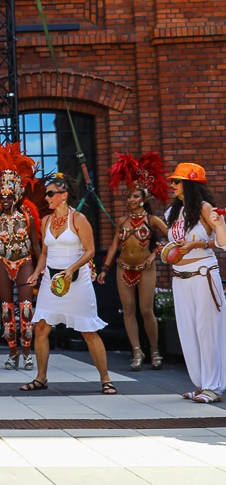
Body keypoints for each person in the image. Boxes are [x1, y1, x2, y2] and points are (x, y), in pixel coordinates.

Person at [23, 174, 116, 395]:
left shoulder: (78, 219)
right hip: (51, 279)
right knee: (41, 327)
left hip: (77, 279)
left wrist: (72, 269)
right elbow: (45, 252)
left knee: (88, 330)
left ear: (63, 196)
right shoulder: (45, 221)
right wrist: (37, 272)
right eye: (47, 194)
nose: (46, 197)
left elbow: (91, 251)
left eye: (50, 193)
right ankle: (41, 377)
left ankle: (106, 379)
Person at [98, 153, 169, 371]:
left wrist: (152, 255)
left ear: (144, 199)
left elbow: (170, 239)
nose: (130, 200)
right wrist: (104, 269)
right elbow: (113, 247)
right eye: (129, 196)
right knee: (128, 309)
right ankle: (137, 351)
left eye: (135, 196)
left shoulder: (152, 220)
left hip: (145, 268)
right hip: (122, 268)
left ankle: (154, 350)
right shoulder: (122, 221)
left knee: (146, 310)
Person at [165, 163, 226, 404]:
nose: (172, 185)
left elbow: (223, 243)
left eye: (176, 181)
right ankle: (201, 384)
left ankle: (214, 386)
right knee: (188, 331)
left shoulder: (205, 208)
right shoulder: (173, 212)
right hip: (180, 277)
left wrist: (197, 245)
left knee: (206, 330)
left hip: (203, 274)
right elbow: (176, 244)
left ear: (189, 184)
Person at [0, 143, 42, 371]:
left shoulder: (28, 217)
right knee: (7, 309)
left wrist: (40, 270)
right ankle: (12, 353)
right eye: (2, 195)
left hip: (25, 261)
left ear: (17, 194)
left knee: (26, 308)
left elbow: (36, 245)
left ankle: (27, 354)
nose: (5, 199)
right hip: (1, 262)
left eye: (9, 195)